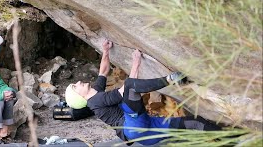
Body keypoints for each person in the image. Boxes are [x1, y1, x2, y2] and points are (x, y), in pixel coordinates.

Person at [65, 40, 221, 145]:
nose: (78, 82)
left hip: (145, 131)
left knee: (195, 122)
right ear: (80, 96)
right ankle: (171, 79)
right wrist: (136, 62)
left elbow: (103, 71)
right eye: (75, 86)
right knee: (130, 86)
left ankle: (235, 139)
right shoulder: (97, 101)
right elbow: (127, 90)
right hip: (133, 127)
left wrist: (105, 51)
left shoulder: (95, 93)